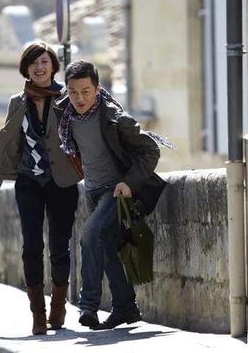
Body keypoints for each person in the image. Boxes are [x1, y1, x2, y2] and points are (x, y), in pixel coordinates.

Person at [55, 59, 172, 330]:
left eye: (86, 91)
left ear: (97, 89)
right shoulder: (65, 115)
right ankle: (126, 308)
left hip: (116, 192)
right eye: (73, 92)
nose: (79, 98)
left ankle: (88, 305)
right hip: (92, 191)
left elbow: (150, 150)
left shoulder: (113, 117)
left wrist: (129, 183)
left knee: (90, 236)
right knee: (107, 249)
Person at [0, 41, 82, 335]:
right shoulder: (17, 102)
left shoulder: (67, 98)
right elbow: (9, 145)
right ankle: (38, 315)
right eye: (34, 63)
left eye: (44, 62)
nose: (40, 68)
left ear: (53, 66)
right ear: (26, 69)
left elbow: (86, 135)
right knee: (31, 246)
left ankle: (58, 307)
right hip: (28, 181)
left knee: (60, 247)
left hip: (62, 182)